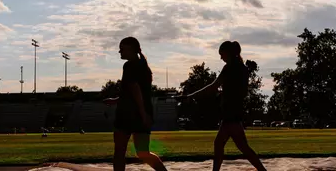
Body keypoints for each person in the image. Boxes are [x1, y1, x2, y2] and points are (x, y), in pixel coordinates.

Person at [176, 41, 267, 171]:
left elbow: (213, 86)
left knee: (224, 145)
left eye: (222, 54)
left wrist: (190, 96)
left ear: (228, 53)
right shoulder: (240, 67)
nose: (221, 57)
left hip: (231, 111)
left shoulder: (230, 67)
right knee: (238, 146)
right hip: (235, 110)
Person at [103, 37, 167, 171]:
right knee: (143, 153)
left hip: (128, 114)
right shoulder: (143, 66)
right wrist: (116, 100)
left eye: (122, 49)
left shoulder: (129, 66)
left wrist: (143, 114)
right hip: (139, 112)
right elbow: (133, 91)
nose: (119, 51)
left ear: (131, 50)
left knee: (119, 152)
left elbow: (135, 89)